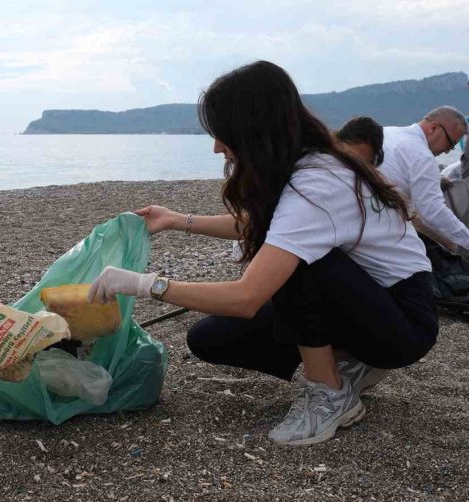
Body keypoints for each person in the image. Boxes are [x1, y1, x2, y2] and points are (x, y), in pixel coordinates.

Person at [88, 61, 438, 446]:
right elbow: (267, 225)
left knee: (299, 266)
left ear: (253, 130)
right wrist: (176, 220)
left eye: (223, 134)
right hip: (368, 301)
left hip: (402, 321)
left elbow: (246, 297)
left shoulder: (317, 184)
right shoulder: (308, 166)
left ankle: (329, 392)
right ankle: (347, 363)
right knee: (210, 338)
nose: (217, 146)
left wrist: (140, 283)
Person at [378, 106, 469, 251]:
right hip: (387, 221)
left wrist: (436, 179)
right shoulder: (422, 156)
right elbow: (432, 211)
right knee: (452, 247)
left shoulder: (386, 132)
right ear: (433, 128)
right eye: (450, 144)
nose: (447, 151)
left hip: (371, 210)